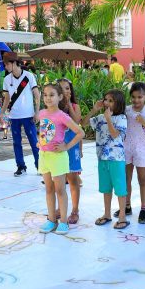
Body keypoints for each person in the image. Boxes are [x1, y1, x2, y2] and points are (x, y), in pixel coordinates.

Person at [36, 83, 84, 236]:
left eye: (52, 95)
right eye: (45, 95)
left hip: (58, 158)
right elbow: (44, 131)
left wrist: (66, 146)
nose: (48, 98)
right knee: (49, 189)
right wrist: (40, 141)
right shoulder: (42, 113)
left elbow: (80, 132)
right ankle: (51, 219)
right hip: (44, 156)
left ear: (60, 97)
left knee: (60, 190)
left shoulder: (62, 115)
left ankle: (63, 221)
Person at [89, 90, 130, 230]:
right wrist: (94, 109)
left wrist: (108, 119)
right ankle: (107, 214)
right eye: (105, 99)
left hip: (116, 159)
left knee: (120, 188)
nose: (106, 103)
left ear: (118, 103)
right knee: (106, 188)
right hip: (102, 158)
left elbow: (115, 135)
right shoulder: (100, 117)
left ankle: (123, 216)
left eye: (110, 100)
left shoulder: (121, 118)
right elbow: (82, 123)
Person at [122, 82, 145, 224]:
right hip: (127, 149)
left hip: (143, 150)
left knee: (142, 179)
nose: (136, 100)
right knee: (126, 178)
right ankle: (126, 205)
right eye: (133, 97)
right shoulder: (126, 110)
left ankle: (143, 209)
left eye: (140, 97)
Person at [0, 51, 41, 177]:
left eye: (6, 64)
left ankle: (40, 166)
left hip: (28, 115)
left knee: (34, 141)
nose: (5, 67)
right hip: (14, 116)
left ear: (13, 63)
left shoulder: (29, 76)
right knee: (16, 142)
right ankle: (21, 166)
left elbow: (37, 95)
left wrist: (37, 112)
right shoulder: (7, 79)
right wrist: (2, 113)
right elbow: (7, 99)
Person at [59, 78, 84, 224]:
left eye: (67, 88)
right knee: (59, 180)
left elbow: (77, 122)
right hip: (58, 148)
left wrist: (68, 105)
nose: (65, 91)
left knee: (73, 179)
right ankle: (60, 208)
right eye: (61, 88)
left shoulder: (75, 106)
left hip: (72, 146)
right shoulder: (54, 108)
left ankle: (75, 210)